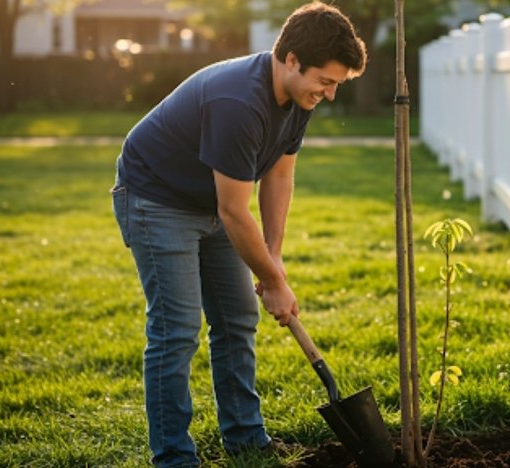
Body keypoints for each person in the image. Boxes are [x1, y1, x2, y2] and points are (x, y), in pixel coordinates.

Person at [110, 2, 367, 465]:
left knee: (236, 320)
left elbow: (279, 176)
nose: (329, 95)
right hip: (157, 198)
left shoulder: (297, 96)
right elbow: (234, 209)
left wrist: (273, 257)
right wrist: (272, 281)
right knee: (177, 330)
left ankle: (246, 438)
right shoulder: (238, 102)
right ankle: (173, 456)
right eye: (326, 82)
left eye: (336, 85)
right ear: (291, 59)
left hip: (211, 202)